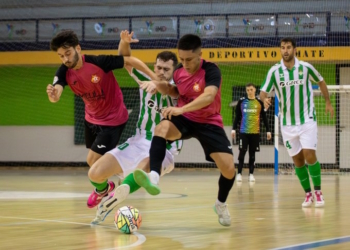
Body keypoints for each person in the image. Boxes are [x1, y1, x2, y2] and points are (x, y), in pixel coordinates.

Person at [46, 30, 158, 209]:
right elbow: (56, 92)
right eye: (61, 56)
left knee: (92, 161)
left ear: (78, 48)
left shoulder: (98, 62)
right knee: (94, 161)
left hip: (113, 120)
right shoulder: (64, 72)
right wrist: (53, 95)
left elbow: (129, 60)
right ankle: (107, 186)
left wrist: (155, 78)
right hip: (91, 119)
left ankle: (107, 187)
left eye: (67, 54)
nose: (65, 59)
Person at [134, 34, 236, 227]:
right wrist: (159, 85)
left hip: (208, 122)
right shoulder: (179, 71)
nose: (185, 64)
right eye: (181, 59)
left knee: (229, 170)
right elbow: (175, 91)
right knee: (161, 127)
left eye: (189, 59)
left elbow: (208, 97)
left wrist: (181, 109)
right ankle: (154, 176)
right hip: (186, 120)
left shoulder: (211, 70)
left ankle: (220, 204)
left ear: (200, 54)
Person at [88, 31, 182, 224]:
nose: (161, 71)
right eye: (159, 67)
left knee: (145, 164)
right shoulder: (144, 79)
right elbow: (126, 59)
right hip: (138, 140)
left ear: (174, 72)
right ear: (154, 67)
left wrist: (157, 83)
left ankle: (114, 199)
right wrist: (124, 42)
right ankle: (107, 191)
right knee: (94, 172)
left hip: (165, 146)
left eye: (166, 69)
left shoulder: (179, 88)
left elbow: (169, 89)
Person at [260, 37, 334, 208]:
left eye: (288, 47)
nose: (285, 50)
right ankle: (308, 194)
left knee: (309, 154)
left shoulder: (306, 68)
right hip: (287, 124)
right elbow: (263, 92)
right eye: (282, 48)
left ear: (294, 49)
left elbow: (321, 81)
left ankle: (318, 192)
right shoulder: (274, 72)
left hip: (307, 119)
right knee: (298, 161)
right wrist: (264, 100)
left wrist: (328, 102)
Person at [232, 83, 271, 182]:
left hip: (255, 133)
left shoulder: (259, 102)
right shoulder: (241, 101)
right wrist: (233, 129)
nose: (249, 91)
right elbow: (237, 117)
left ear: (255, 90)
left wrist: (268, 131)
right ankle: (239, 174)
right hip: (243, 132)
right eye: (248, 90)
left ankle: (251, 174)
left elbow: (264, 118)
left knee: (252, 154)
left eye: (251, 89)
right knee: (242, 153)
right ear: (246, 91)